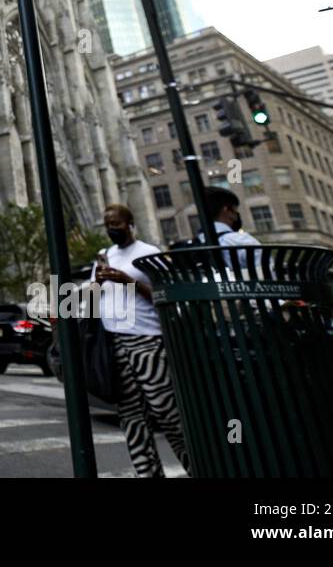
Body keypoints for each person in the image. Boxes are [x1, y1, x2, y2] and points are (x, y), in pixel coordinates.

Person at [97, 203, 191, 478]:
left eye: (115, 224)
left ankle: (197, 467)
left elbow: (165, 295)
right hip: (116, 342)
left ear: (129, 224)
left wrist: (126, 280)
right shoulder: (104, 256)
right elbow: (98, 293)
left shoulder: (150, 254)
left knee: (167, 413)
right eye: (107, 225)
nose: (111, 229)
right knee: (132, 419)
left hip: (147, 340)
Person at [203, 186, 263, 274]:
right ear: (226, 209)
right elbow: (268, 273)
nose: (237, 215)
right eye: (235, 209)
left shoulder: (192, 246)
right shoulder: (242, 241)